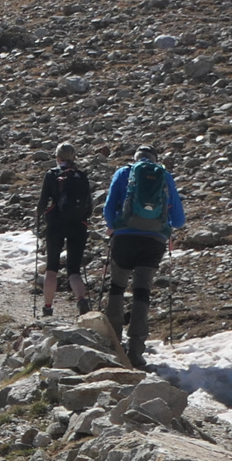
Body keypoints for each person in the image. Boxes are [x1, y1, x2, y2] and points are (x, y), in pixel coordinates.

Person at [103, 144, 187, 369]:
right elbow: (179, 220)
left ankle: (114, 345)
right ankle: (136, 351)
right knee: (142, 291)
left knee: (117, 287)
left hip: (124, 238)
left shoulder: (124, 173)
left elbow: (108, 209)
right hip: (154, 241)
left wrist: (114, 226)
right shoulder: (165, 176)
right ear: (155, 159)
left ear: (135, 159)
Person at [38, 142, 93, 318]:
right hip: (78, 225)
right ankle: (81, 300)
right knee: (74, 269)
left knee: (51, 268)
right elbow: (89, 206)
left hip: (56, 225)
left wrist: (40, 217)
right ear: (74, 157)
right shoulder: (81, 176)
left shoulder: (52, 174)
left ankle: (47, 308)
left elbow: (42, 203)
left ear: (57, 157)